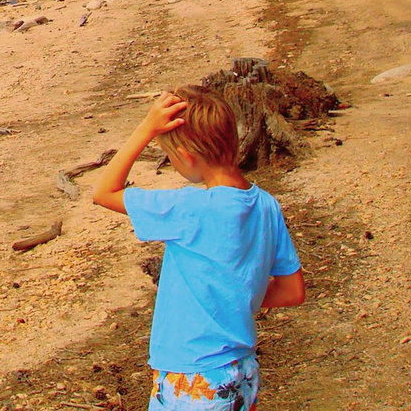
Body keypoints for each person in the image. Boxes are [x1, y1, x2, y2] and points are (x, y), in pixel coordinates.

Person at [92, 88, 305, 410]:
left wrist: (146, 129)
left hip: (192, 377)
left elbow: (104, 192)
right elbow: (292, 292)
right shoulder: (267, 206)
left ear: (188, 157)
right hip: (242, 371)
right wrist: (234, 301)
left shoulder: (189, 207)